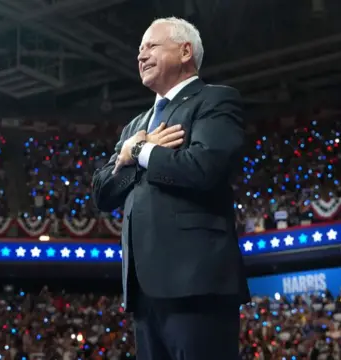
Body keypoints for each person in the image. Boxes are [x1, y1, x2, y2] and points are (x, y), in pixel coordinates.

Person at [92, 17, 249, 360]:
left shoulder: (214, 101)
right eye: (139, 50)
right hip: (143, 290)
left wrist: (141, 152)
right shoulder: (137, 125)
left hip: (197, 284)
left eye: (150, 46)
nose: (141, 56)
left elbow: (203, 167)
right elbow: (103, 193)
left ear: (184, 51)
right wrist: (133, 151)